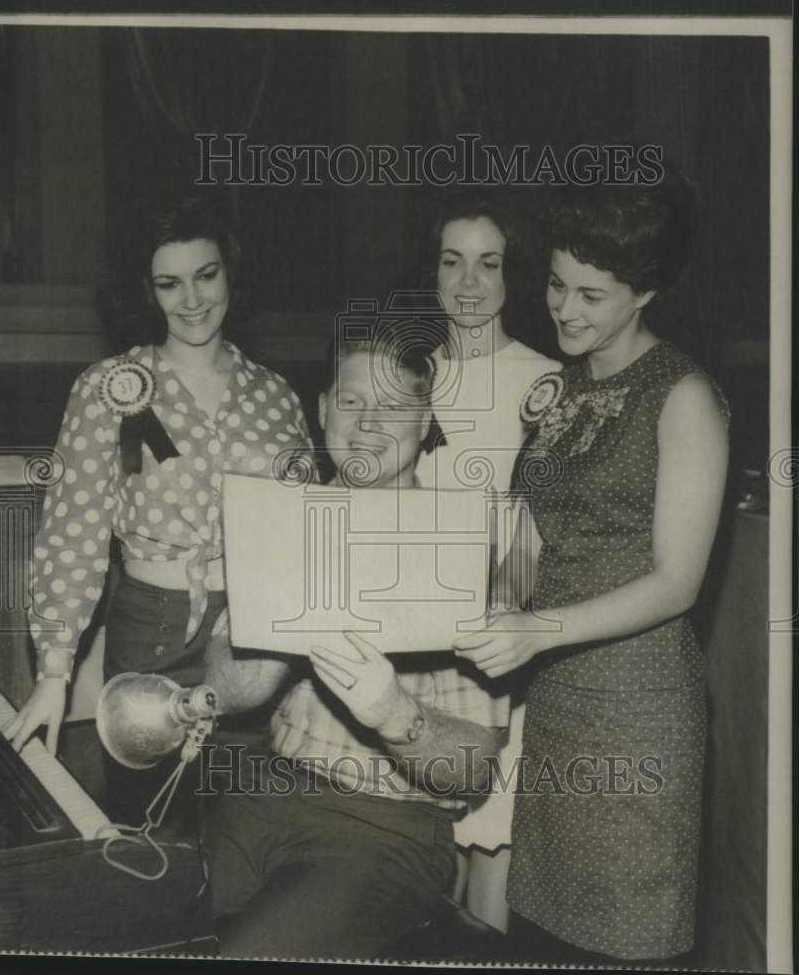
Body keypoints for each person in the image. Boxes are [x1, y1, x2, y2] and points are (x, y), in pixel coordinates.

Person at [454, 173, 730, 966]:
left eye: (592, 295)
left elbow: (679, 581)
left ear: (645, 292)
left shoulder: (683, 399)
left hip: (638, 714)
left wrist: (534, 629)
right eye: (554, 284)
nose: (564, 308)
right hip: (553, 706)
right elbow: (523, 532)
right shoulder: (563, 390)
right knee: (543, 934)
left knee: (628, 939)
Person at [200, 329, 506, 961]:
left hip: (382, 828)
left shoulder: (464, 544)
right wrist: (261, 605)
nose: (367, 424)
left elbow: (473, 769)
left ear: (426, 420)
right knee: (120, 920)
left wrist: (394, 713)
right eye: (350, 401)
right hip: (263, 788)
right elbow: (229, 695)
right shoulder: (285, 517)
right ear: (320, 408)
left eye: (393, 406)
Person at [4, 194, 313, 781]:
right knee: (152, 827)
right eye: (170, 284)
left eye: (206, 275)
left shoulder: (276, 394)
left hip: (257, 641)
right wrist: (53, 674)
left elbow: (306, 535)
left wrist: (294, 648)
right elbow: (75, 533)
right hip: (152, 628)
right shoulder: (109, 387)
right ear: (148, 291)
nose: (192, 300)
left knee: (245, 819)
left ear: (230, 272)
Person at [414, 189, 560, 931]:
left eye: (489, 263)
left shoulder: (545, 383)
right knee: (430, 847)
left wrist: (503, 621)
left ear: (512, 277)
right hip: (418, 646)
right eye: (452, 260)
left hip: (504, 642)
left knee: (492, 835)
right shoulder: (407, 377)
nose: (469, 282)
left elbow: (550, 529)